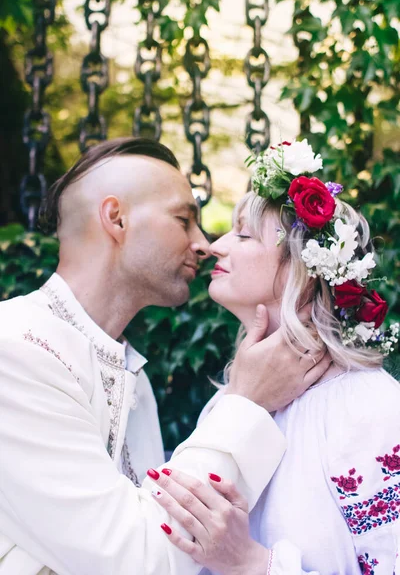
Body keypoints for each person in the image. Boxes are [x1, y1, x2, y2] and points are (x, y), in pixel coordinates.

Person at [0, 137, 329, 575]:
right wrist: (246, 402)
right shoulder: (15, 347)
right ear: (116, 219)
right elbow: (138, 560)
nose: (205, 243)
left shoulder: (131, 374)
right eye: (184, 220)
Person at [156, 140, 400, 573]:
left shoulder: (369, 409)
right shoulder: (233, 400)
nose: (216, 246)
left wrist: (252, 563)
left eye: (244, 234)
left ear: (298, 270)